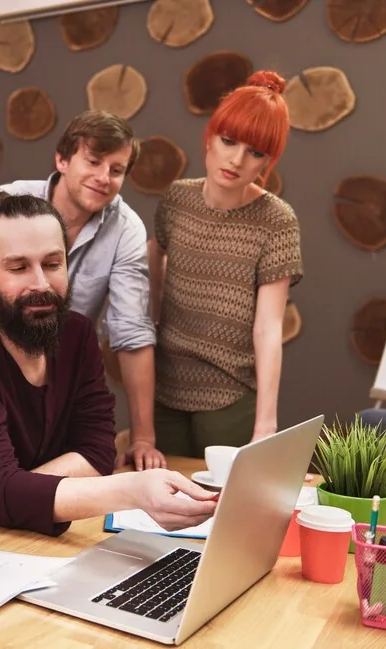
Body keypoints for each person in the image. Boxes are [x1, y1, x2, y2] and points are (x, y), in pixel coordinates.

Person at [0, 192, 217, 546]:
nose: (41, 284)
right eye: (19, 268)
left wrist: (2, 498)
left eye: (52, 264)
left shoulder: (77, 334)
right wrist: (133, 490)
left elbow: (98, 451)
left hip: (22, 533)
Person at [0, 111, 167, 471]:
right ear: (62, 159)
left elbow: (131, 331)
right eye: (93, 161)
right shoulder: (2, 204)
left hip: (55, 378)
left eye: (116, 170)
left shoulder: (126, 229)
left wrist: (143, 438)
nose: (104, 177)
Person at [148, 70, 304, 459]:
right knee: (159, 494)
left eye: (256, 152)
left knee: (224, 496)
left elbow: (269, 328)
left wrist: (265, 426)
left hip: (230, 396)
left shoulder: (276, 220)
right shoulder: (177, 199)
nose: (236, 159)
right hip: (164, 389)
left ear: (268, 161)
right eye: (229, 141)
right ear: (210, 137)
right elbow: (152, 267)